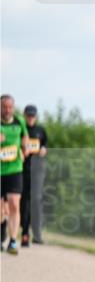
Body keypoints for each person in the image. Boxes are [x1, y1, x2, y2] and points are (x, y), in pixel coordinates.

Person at [0, 94, 30, 255]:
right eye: (4, 107)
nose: (7, 110)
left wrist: (25, 148)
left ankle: (12, 240)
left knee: (13, 203)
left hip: (15, 169)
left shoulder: (19, 121)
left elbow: (25, 138)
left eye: (10, 107)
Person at [20, 104, 47, 246]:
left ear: (36, 116)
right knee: (24, 201)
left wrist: (43, 149)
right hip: (22, 170)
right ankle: (24, 231)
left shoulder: (41, 130)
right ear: (24, 115)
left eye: (33, 115)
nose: (31, 118)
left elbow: (45, 145)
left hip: (37, 170)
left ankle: (37, 234)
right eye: (29, 115)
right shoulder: (20, 130)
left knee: (36, 200)